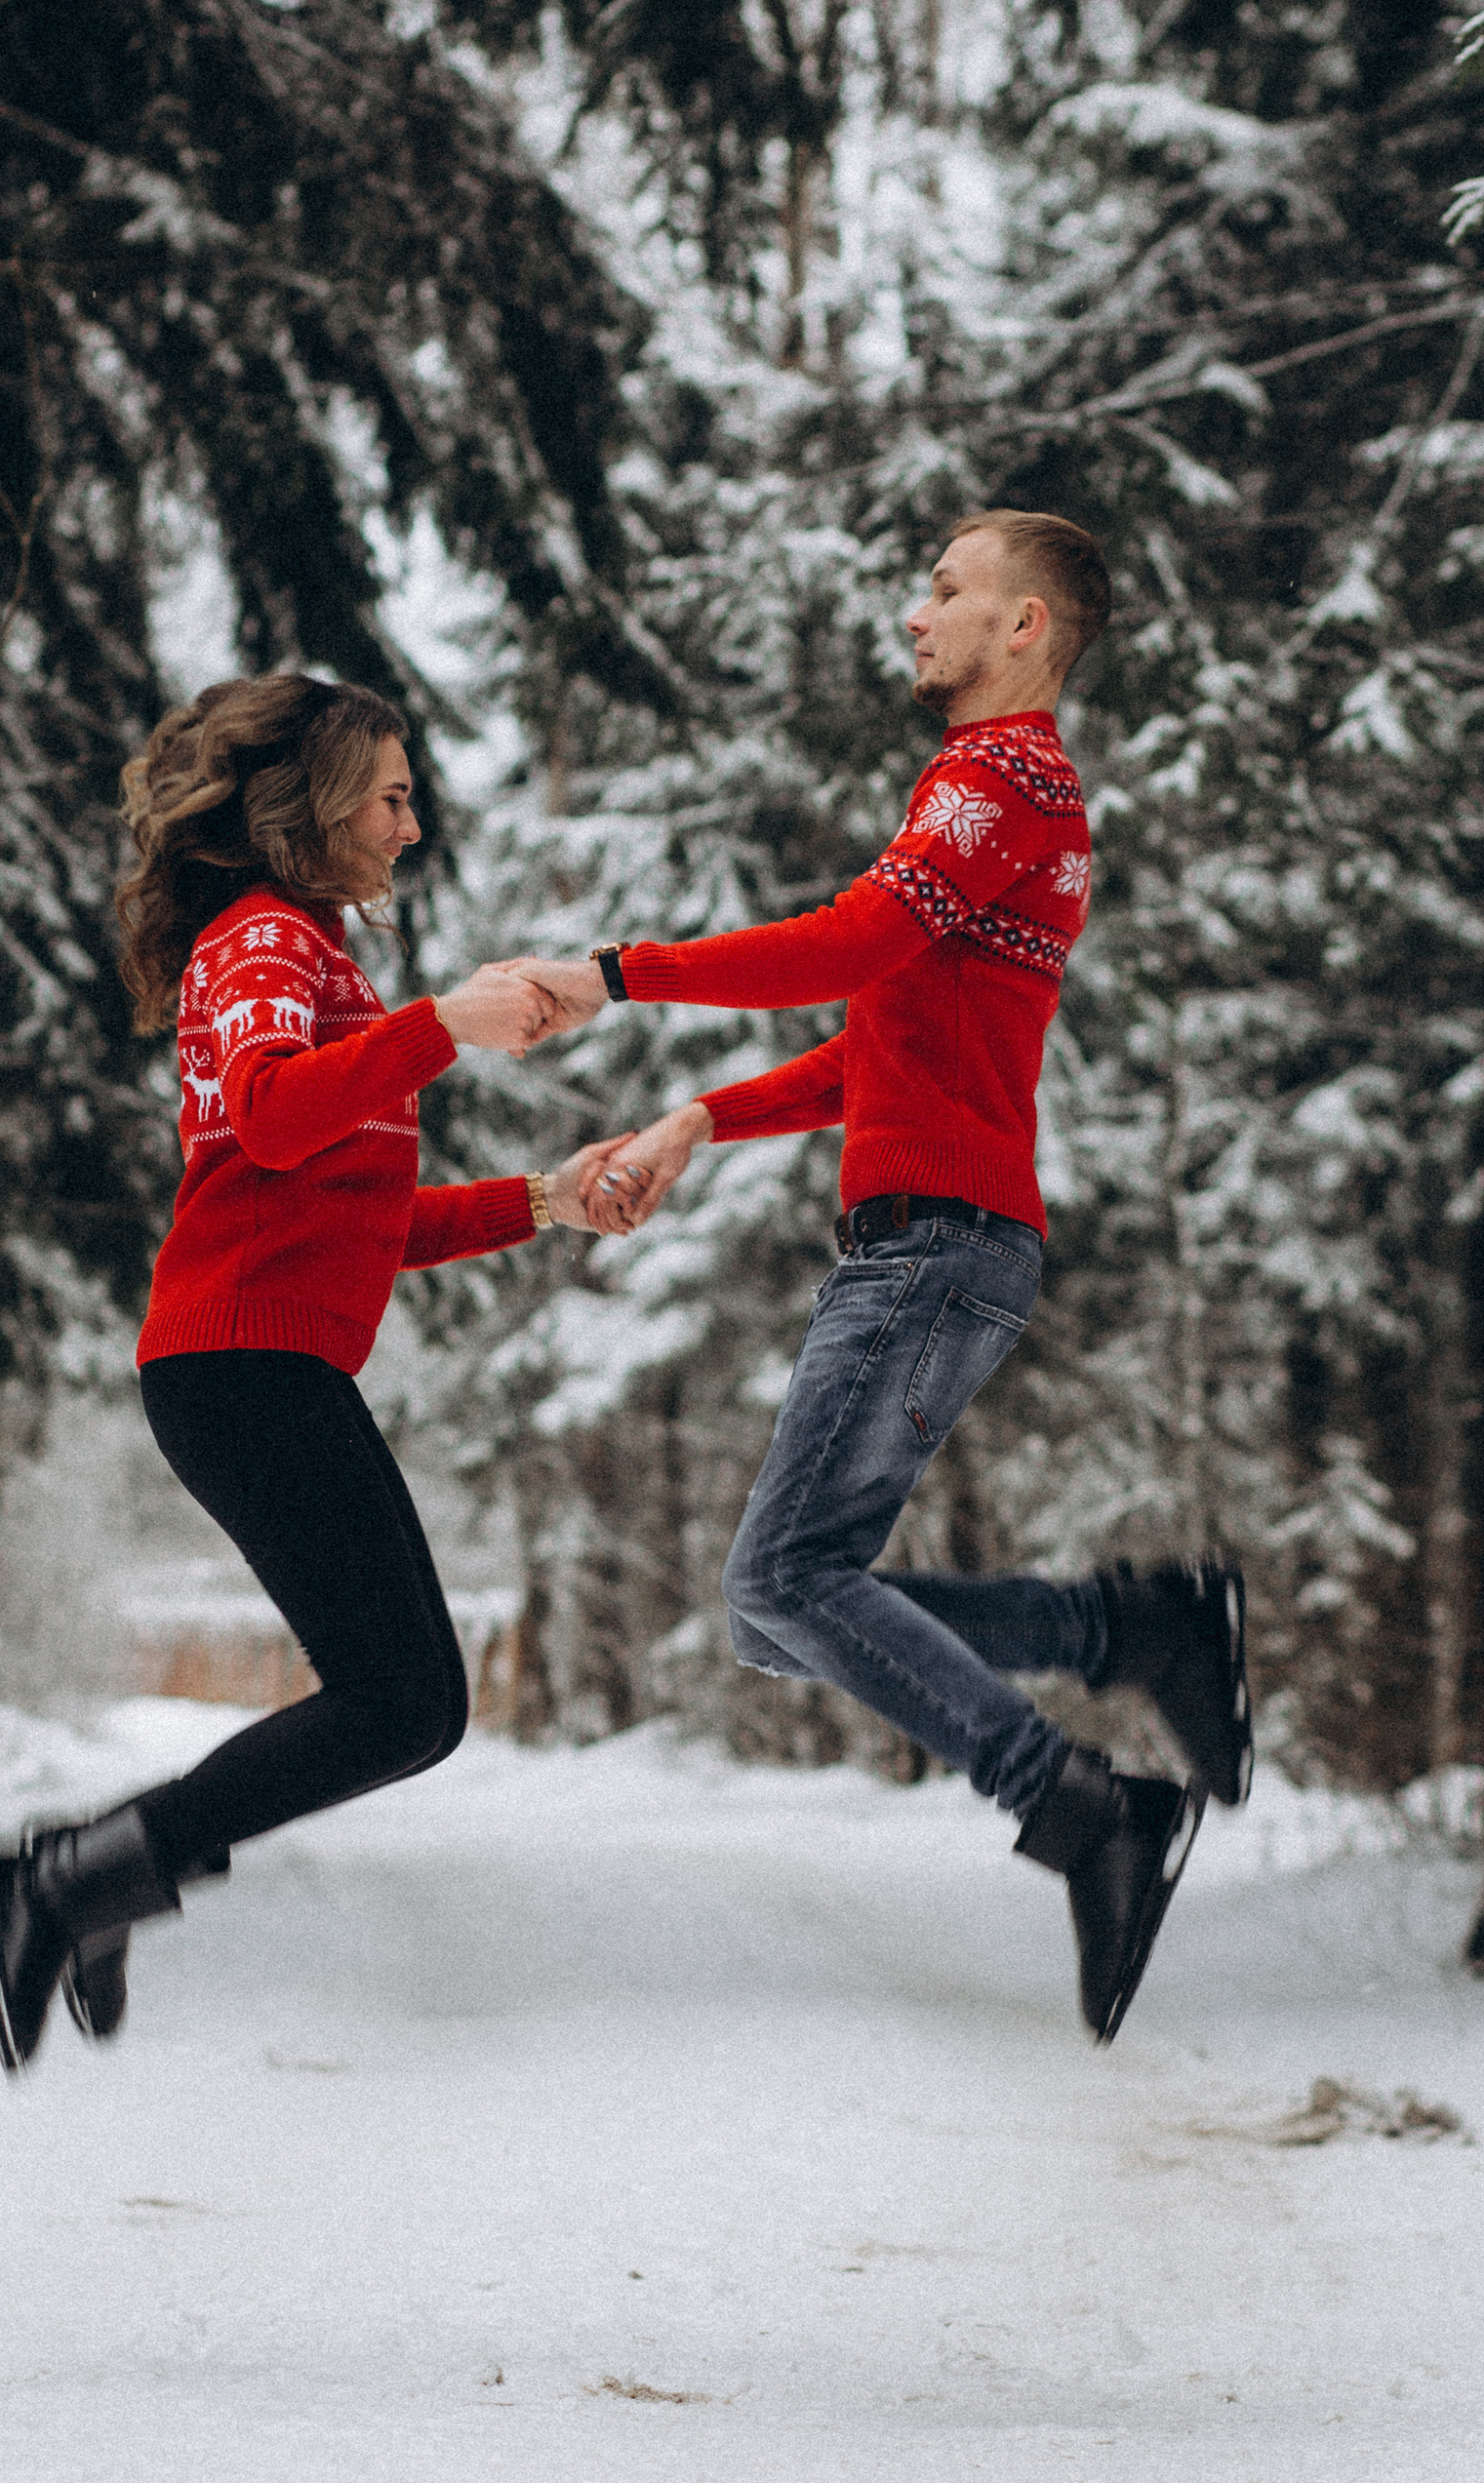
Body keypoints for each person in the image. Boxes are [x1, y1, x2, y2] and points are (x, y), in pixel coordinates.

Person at [501, 511, 1252, 2043]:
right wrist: (710, 1113)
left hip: (934, 1248)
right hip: (942, 1242)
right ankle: (1128, 1634)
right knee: (781, 1613)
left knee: (781, 1583)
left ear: (1028, 625)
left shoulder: (1000, 781)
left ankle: (1085, 1806)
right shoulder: (1003, 797)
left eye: (949, 588)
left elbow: (858, 939)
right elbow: (882, 1039)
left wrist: (617, 972)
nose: (919, 613)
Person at [0, 673, 613, 2075]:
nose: (412, 824)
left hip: (259, 1369)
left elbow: (355, 1218)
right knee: (406, 1701)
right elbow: (267, 1117)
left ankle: (87, 1875)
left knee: (407, 1702)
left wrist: (544, 1202)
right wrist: (445, 1024)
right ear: (310, 808)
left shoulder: (310, 956)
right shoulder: (264, 945)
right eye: (389, 795)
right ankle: (73, 1876)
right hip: (243, 1372)